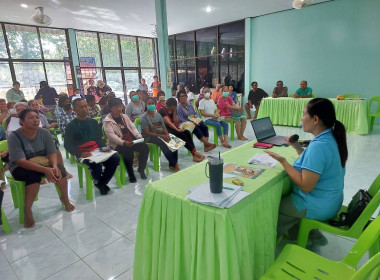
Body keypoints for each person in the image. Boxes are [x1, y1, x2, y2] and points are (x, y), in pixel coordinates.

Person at [265, 98, 348, 241]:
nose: (301, 119)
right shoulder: (330, 137)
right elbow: (315, 165)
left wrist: (283, 161)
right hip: (331, 200)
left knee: (271, 208)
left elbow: (306, 185)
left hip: (318, 204)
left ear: (315, 119)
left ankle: (269, 241)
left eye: (304, 114)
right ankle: (306, 235)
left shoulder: (318, 146)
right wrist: (297, 147)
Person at [8, 109, 75, 228]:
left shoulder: (44, 132)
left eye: (36, 117)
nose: (35, 120)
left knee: (60, 170)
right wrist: (45, 170)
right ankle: (27, 209)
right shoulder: (14, 136)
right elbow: (21, 161)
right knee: (33, 175)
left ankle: (65, 199)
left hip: (42, 161)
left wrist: (54, 166)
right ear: (21, 121)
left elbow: (52, 153)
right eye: (30, 117)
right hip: (20, 166)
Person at [64, 99, 120, 195]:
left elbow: (99, 139)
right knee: (96, 165)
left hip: (97, 150)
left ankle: (100, 183)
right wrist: (80, 153)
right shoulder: (71, 125)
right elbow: (67, 144)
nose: (84, 109)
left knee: (115, 158)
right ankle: (101, 184)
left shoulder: (93, 122)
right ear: (74, 110)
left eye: (86, 106)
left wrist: (104, 148)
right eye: (81, 107)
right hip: (83, 153)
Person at [104, 98, 149, 182]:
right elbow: (111, 136)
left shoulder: (124, 116)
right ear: (110, 108)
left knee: (145, 147)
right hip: (117, 144)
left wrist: (138, 136)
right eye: (116, 107)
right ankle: (131, 174)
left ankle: (141, 169)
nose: (119, 109)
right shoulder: (107, 121)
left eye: (120, 106)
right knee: (128, 153)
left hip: (131, 140)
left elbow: (133, 128)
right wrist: (123, 142)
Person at [159, 98, 205, 162]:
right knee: (181, 134)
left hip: (173, 127)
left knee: (187, 132)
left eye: (173, 108)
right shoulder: (162, 110)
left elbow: (175, 121)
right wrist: (178, 130)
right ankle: (195, 153)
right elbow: (168, 123)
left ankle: (194, 155)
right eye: (170, 108)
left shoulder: (173, 109)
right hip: (165, 130)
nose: (170, 110)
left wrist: (174, 111)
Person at [140, 97, 180, 172]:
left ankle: (172, 164)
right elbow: (147, 132)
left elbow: (163, 127)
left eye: (152, 103)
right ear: (146, 105)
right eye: (149, 103)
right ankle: (174, 163)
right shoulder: (144, 117)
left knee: (173, 141)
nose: (151, 105)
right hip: (148, 137)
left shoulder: (158, 115)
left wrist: (167, 135)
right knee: (161, 142)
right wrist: (162, 136)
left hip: (160, 133)